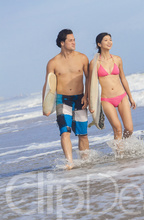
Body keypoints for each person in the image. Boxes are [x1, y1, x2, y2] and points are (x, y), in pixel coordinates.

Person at [42, 29, 89, 169]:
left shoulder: (82, 58)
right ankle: (70, 163)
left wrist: (87, 96)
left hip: (80, 98)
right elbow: (47, 84)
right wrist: (45, 106)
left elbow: (89, 79)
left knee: (83, 134)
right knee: (64, 132)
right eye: (70, 40)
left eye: (74, 39)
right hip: (62, 100)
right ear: (62, 43)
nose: (74, 42)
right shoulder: (53, 62)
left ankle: (85, 163)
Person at [88, 32, 136, 144]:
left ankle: (123, 146)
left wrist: (130, 97)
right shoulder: (94, 63)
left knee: (129, 129)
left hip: (122, 96)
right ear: (99, 44)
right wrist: (91, 103)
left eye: (110, 39)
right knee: (118, 129)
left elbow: (123, 78)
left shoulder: (117, 59)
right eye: (106, 40)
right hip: (106, 100)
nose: (109, 42)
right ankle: (120, 156)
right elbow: (91, 84)